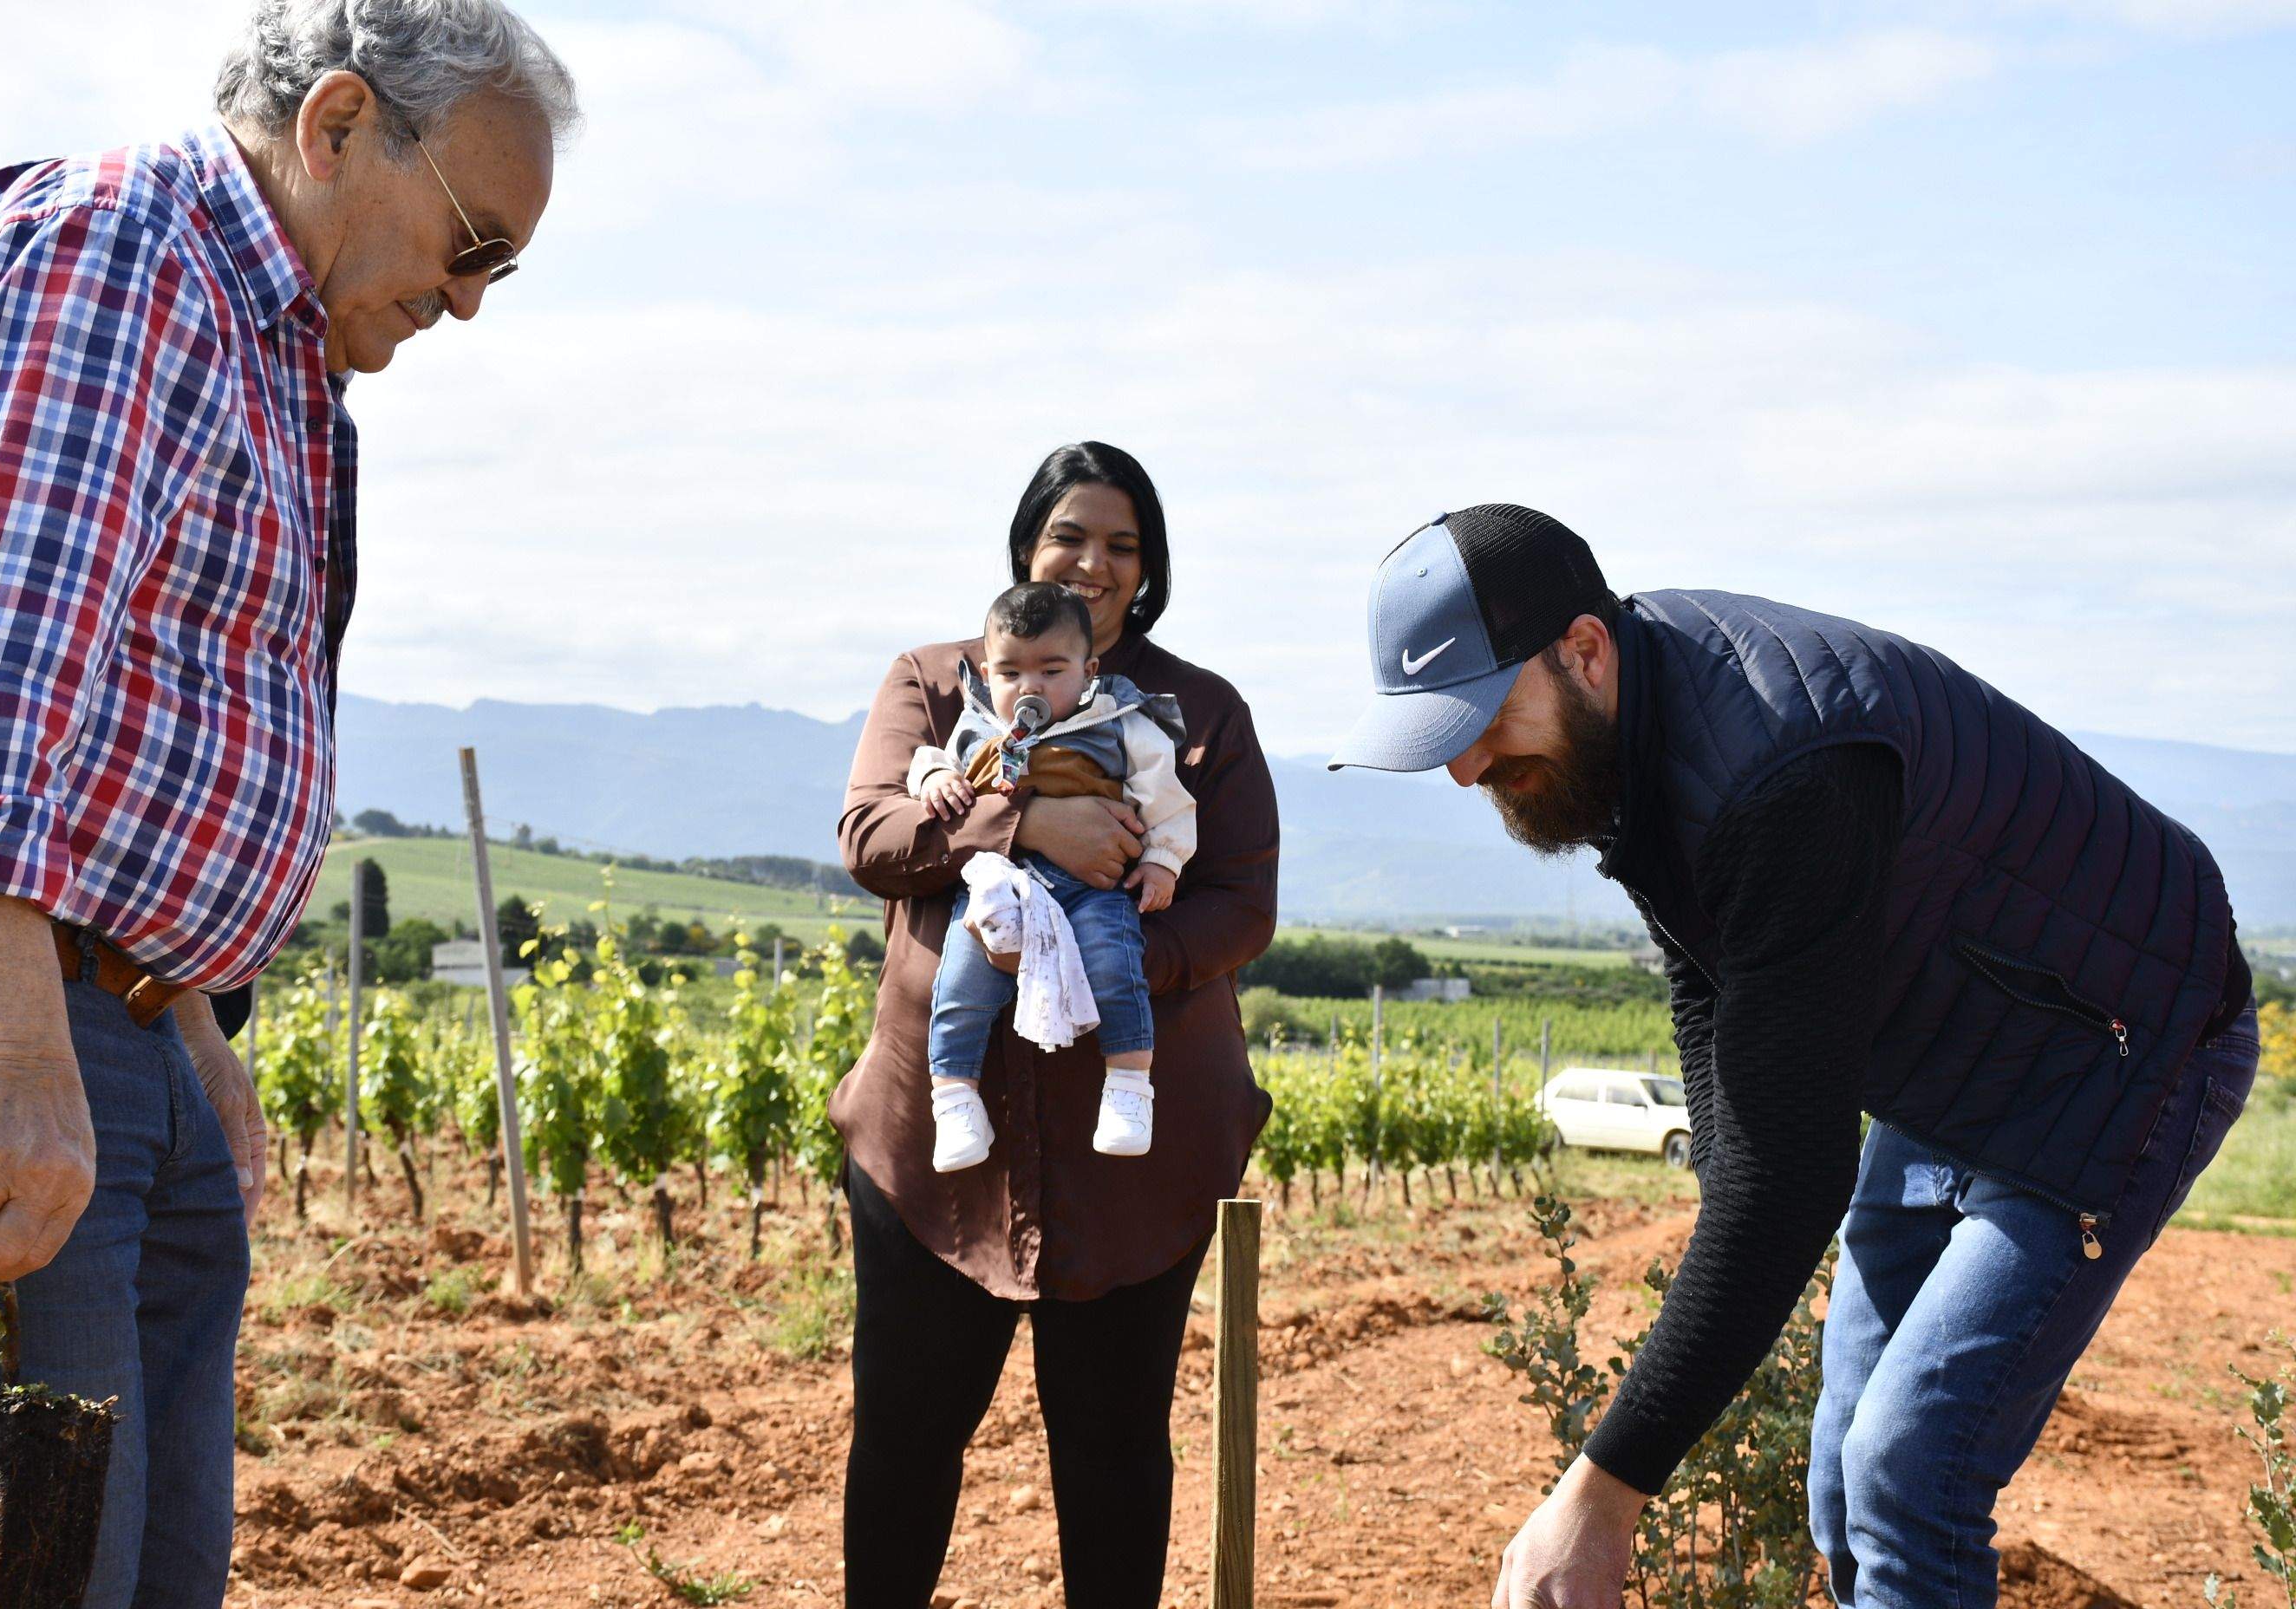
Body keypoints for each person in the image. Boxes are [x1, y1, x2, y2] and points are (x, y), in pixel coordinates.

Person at [0, 3, 573, 1602]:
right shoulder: (115, 260)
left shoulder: (267, 347)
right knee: (24, 1574)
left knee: (148, 1567)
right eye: (472, 243)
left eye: (502, 270)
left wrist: (187, 1028)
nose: (468, 303)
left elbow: (151, 726)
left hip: (134, 1044)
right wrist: (8, 1054)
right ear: (337, 126)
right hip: (25, 1037)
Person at [1330, 505, 2256, 1609]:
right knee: (1839, 1483)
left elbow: (1789, 1179)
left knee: (1909, 1475)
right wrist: (1731, 1233)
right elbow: (1708, 983)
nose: (1466, 765)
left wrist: (1602, 1494)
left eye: (1481, 718)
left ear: (1582, 649)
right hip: (1956, 1051)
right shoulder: (1634, 715)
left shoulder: (1781, 770)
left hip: (2116, 1049)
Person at [832, 441, 1277, 1607]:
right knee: (905, 1443)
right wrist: (1023, 826)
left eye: (1124, 545)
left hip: (1134, 1160)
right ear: (1028, 543)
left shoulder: (1198, 714)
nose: (1095, 562)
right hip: (932, 1151)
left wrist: (1101, 958)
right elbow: (874, 841)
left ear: (1150, 567)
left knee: (1116, 1457)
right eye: (1071, 535)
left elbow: (1243, 907)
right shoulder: (936, 683)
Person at [911, 579, 1197, 1171]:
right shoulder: (976, 725)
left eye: (1051, 671)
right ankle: (954, 1098)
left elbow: (1166, 798)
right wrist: (933, 780)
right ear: (988, 673)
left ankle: (1127, 1087)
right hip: (1000, 884)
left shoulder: (1120, 721)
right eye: (1012, 673)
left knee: (1114, 965)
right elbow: (931, 760)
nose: (1029, 688)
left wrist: (1162, 859)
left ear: (1087, 671)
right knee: (963, 981)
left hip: (1092, 887)